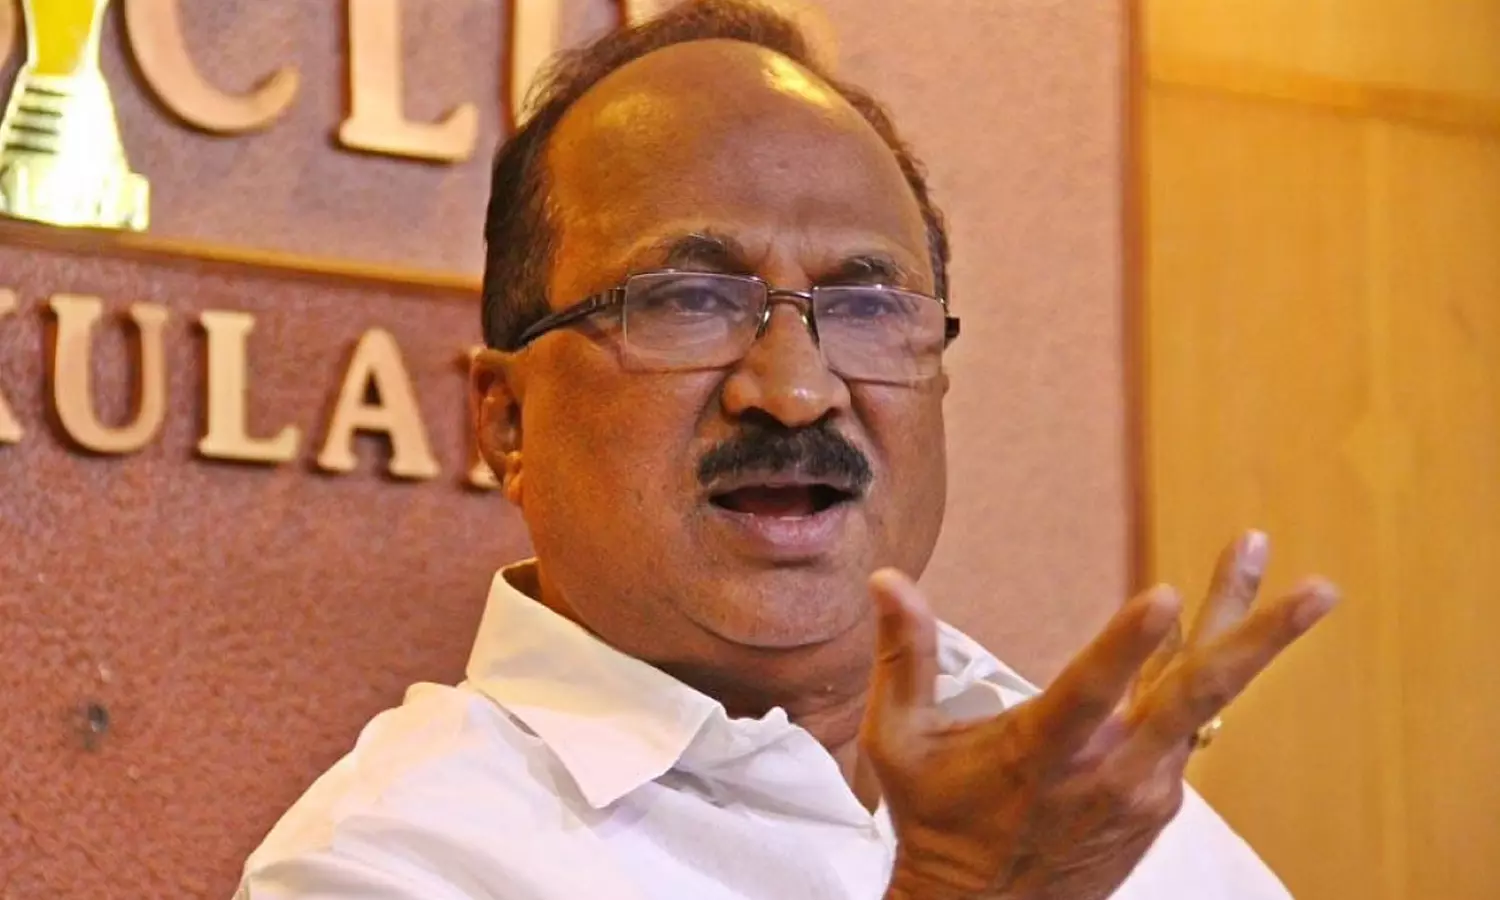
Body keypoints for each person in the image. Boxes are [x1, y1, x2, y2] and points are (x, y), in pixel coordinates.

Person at [237, 2, 1339, 897]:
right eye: (686, 300)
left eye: (865, 305)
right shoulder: (387, 860)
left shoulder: (1085, 799)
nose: (797, 392)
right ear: (506, 422)